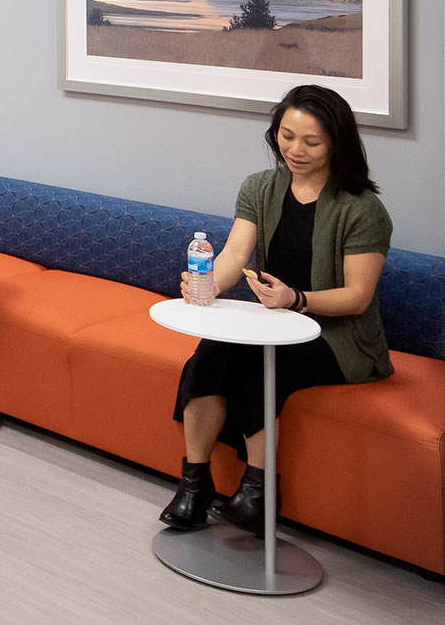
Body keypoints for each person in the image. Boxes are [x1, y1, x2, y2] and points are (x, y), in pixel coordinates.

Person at [159, 84, 394, 536]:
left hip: (339, 339)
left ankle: (259, 489)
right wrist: (207, 283)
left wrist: (296, 299)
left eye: (312, 141)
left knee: (254, 363)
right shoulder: (261, 188)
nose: (295, 150)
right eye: (287, 136)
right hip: (276, 322)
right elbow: (233, 256)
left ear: (337, 143)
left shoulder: (362, 209)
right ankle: (195, 484)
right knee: (209, 354)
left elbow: (357, 296)